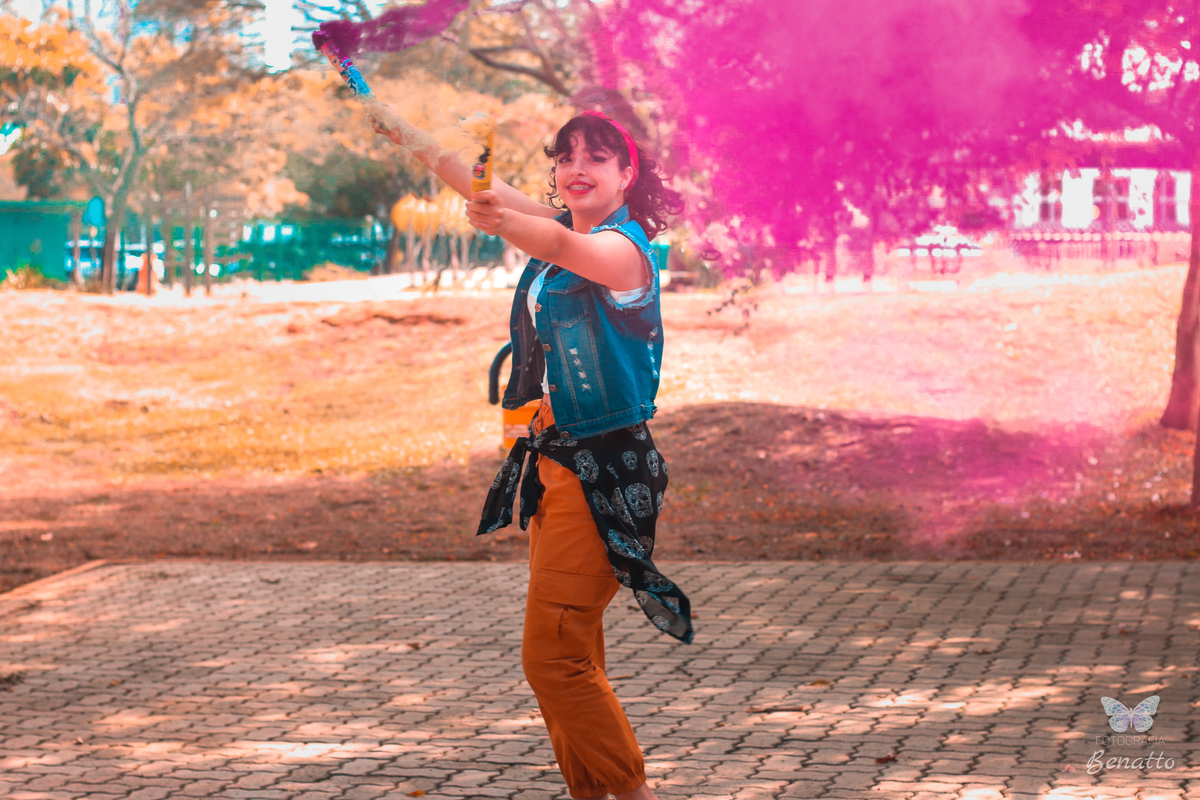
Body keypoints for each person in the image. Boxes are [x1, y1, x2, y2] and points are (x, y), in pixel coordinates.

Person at [372, 106, 691, 800]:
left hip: (606, 470)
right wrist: (407, 133)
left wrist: (504, 222)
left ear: (627, 174)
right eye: (565, 156)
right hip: (554, 461)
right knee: (574, 652)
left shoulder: (623, 251)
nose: (577, 168)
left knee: (552, 659)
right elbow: (484, 189)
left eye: (596, 157)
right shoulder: (570, 230)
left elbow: (546, 238)